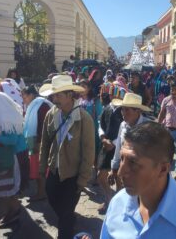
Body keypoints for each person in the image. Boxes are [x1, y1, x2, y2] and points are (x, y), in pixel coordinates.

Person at [39, 75, 95, 239]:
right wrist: (42, 168)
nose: (54, 98)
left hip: (73, 175)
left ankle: (66, 229)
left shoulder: (84, 119)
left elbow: (88, 152)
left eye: (58, 95)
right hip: (54, 171)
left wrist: (83, 179)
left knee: (64, 216)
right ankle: (69, 218)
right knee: (53, 199)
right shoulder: (51, 114)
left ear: (70, 95)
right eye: (53, 95)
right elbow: (45, 142)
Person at [0, 92, 27, 228]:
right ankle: (11, 212)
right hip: (11, 157)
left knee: (11, 189)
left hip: (14, 158)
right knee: (8, 189)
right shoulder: (5, 117)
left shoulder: (7, 120)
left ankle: (14, 212)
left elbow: (11, 140)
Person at [107, 93, 150, 187]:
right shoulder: (123, 125)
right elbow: (119, 147)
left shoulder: (148, 127)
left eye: (127, 110)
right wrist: (114, 168)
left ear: (138, 111)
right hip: (124, 170)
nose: (123, 113)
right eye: (122, 109)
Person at [22, 85, 52, 201]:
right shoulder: (34, 106)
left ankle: (42, 193)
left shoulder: (41, 106)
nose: (23, 100)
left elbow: (43, 126)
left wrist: (40, 143)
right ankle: (42, 191)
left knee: (41, 169)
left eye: (24, 97)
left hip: (40, 142)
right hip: (35, 141)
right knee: (38, 168)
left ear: (32, 95)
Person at [97, 88, 124, 214]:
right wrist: (103, 139)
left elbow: (125, 130)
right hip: (106, 145)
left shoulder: (123, 110)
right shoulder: (107, 108)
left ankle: (118, 204)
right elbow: (100, 124)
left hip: (118, 148)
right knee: (100, 175)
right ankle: (109, 198)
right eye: (113, 93)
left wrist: (113, 143)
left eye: (117, 94)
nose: (114, 96)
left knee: (119, 177)